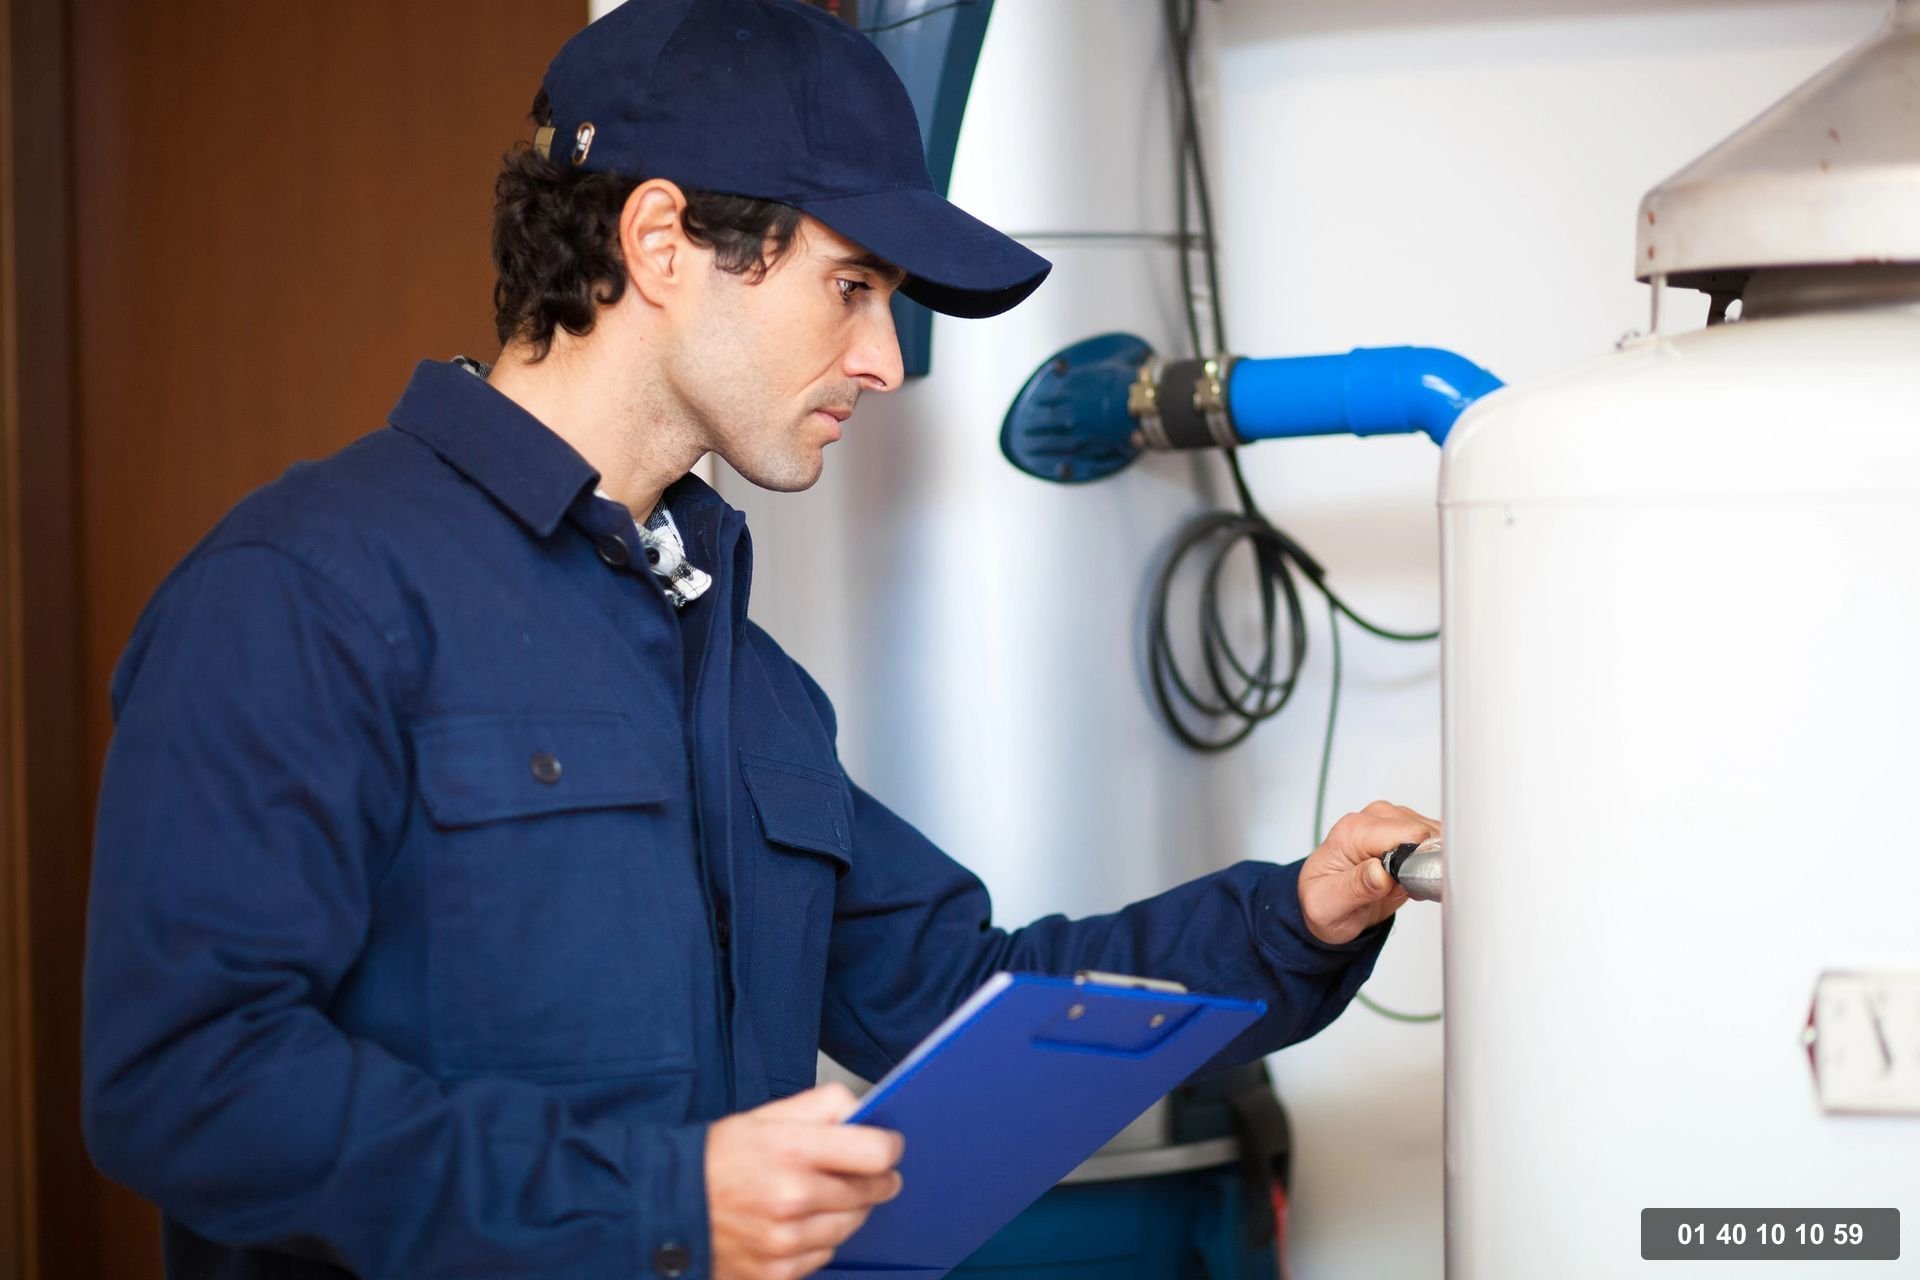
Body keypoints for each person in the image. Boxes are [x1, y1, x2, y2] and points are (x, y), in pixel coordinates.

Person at [80, 2, 1439, 1278]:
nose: (885, 361)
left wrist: (1293, 921)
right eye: (851, 287)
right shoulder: (304, 593)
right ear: (661, 242)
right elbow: (188, 1085)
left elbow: (966, 999)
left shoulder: (727, 660)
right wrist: (661, 1206)